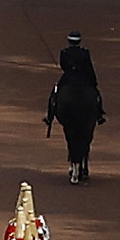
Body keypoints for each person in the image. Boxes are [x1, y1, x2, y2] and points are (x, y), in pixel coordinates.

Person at [45, 37, 103, 181]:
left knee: (55, 93)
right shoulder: (85, 52)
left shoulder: (64, 52)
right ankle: (100, 113)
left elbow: (64, 66)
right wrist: (93, 81)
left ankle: (50, 115)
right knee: (96, 95)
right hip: (83, 79)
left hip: (69, 79)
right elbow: (89, 67)